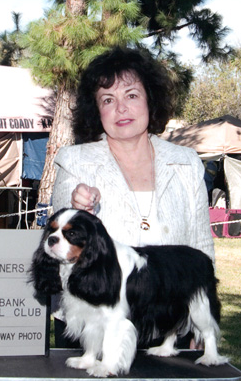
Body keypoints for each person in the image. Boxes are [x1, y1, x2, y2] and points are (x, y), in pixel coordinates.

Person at [51, 46, 215, 347]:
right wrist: (75, 209)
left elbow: (200, 247)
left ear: (150, 99)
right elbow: (59, 255)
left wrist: (198, 317)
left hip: (167, 329)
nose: (121, 108)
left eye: (132, 95)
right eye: (108, 100)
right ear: (96, 110)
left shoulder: (187, 162)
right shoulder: (74, 162)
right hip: (95, 330)